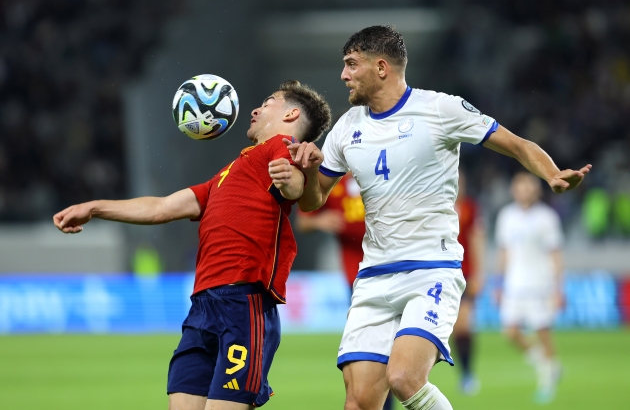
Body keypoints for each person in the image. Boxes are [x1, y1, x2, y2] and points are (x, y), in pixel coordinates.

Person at [285, 25, 591, 410]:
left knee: (404, 378)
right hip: (374, 276)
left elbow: (515, 144)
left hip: (431, 268)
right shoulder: (347, 127)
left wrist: (550, 173)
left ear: (381, 67)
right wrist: (310, 172)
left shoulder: (440, 108)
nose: (343, 75)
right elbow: (313, 202)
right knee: (359, 401)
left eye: (351, 64)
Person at [52, 80, 332, 410]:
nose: (256, 109)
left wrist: (292, 180)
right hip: (203, 307)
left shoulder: (281, 146)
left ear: (291, 114)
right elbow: (162, 207)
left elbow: (296, 188)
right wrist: (95, 207)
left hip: (243, 303)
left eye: (269, 102)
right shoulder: (229, 172)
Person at [295, 173, 396, 410]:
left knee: (383, 348)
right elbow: (303, 221)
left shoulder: (382, 171)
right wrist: (321, 221)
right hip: (358, 278)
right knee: (376, 349)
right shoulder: (334, 180)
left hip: (392, 268)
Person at [495, 172, 564, 404]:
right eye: (519, 187)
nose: (523, 191)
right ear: (514, 190)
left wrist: (557, 288)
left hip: (539, 286)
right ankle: (547, 365)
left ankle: (547, 383)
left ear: (536, 191)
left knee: (543, 334)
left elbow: (555, 254)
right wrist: (499, 283)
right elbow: (504, 253)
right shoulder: (506, 216)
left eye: (528, 187)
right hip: (514, 285)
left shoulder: (546, 217)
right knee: (510, 332)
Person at [452, 170, 484, 396]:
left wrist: (479, 274)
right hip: (440, 276)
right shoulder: (434, 206)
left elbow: (476, 240)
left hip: (465, 276)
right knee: (451, 328)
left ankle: (467, 374)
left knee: (462, 325)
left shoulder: (469, 208)